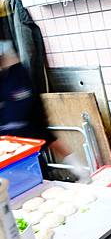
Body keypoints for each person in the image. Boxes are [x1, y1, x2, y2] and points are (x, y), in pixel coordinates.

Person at [0, 41, 89, 181]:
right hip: (11, 149)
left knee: (33, 132)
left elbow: (39, 129)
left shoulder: (16, 77)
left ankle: (76, 167)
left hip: (23, 147)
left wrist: (74, 163)